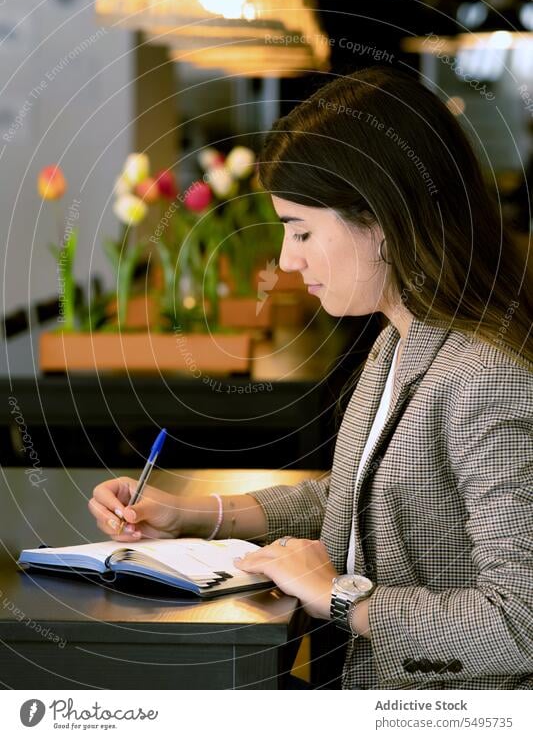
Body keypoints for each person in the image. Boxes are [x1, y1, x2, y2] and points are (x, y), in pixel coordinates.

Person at [89, 67, 533, 690]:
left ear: (379, 221)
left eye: (301, 229)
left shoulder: (486, 378)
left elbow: (521, 621)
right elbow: (360, 502)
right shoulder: (398, 342)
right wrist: (193, 515)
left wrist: (339, 596)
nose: (289, 258)